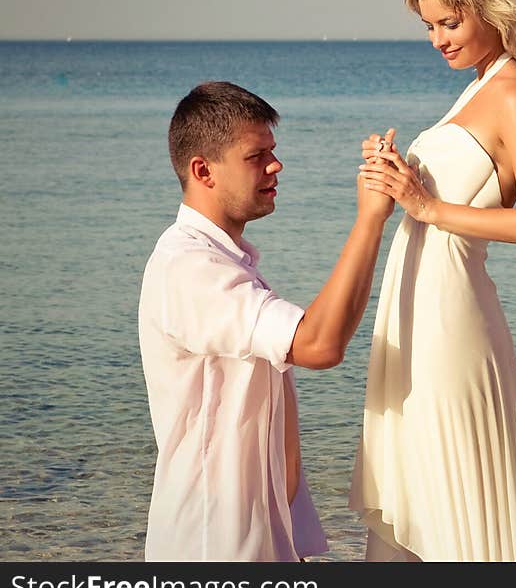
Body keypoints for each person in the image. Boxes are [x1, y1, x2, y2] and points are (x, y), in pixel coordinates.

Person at [349, 0, 516, 561]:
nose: (438, 38)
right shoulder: (478, 88)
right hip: (420, 311)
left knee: (454, 491)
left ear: (493, 10)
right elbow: (438, 200)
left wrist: (426, 206)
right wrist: (393, 178)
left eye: (451, 22)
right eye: (429, 26)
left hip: (453, 320)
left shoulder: (513, 90)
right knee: (420, 486)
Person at [138, 81, 392, 561]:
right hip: (213, 546)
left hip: (251, 537)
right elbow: (319, 345)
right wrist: (369, 220)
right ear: (203, 170)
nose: (276, 166)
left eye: (273, 152)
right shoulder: (191, 268)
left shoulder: (225, 261)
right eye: (257, 156)